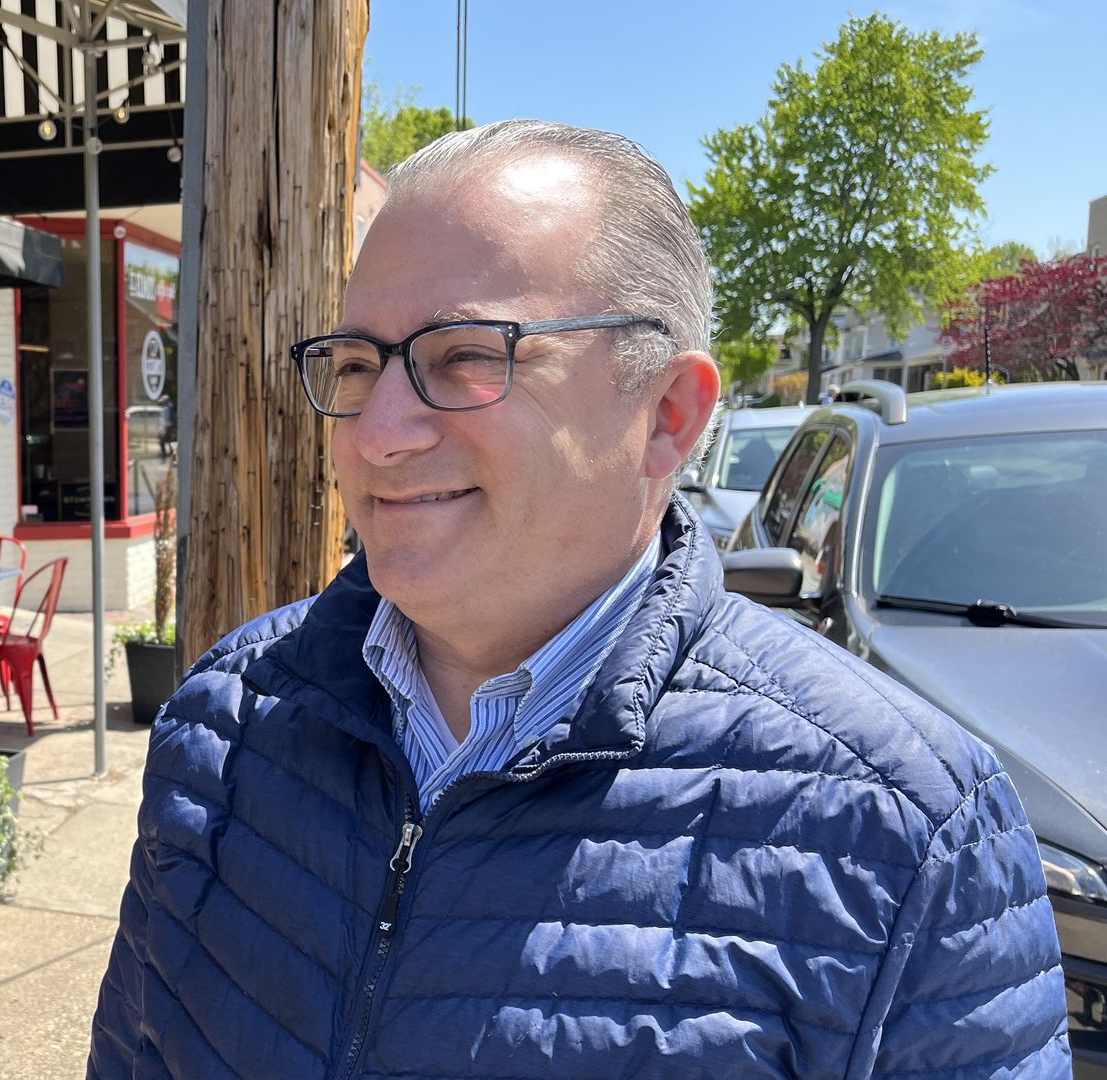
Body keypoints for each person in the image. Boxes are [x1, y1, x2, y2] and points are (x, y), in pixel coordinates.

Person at [88, 121, 1069, 1077]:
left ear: (666, 416)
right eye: (356, 364)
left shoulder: (902, 831)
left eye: (465, 357)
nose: (379, 432)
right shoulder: (226, 717)